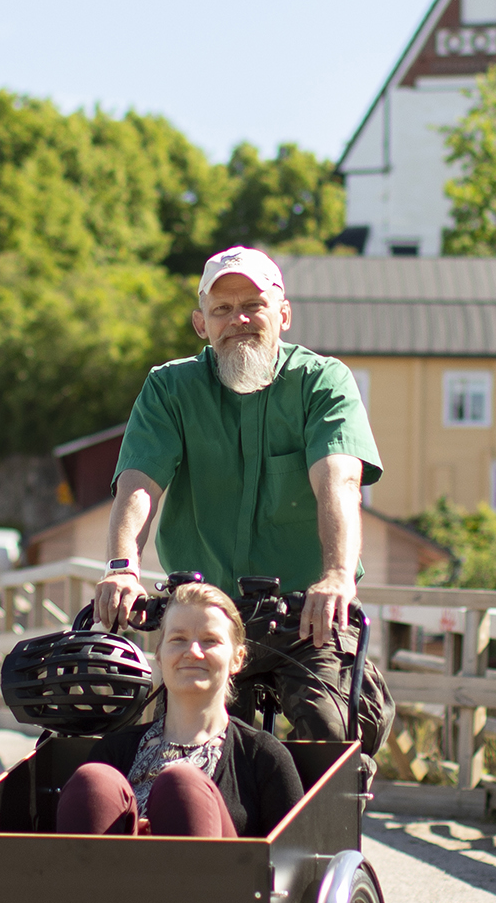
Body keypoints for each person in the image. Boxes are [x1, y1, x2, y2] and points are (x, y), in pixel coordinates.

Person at [86, 246, 382, 737]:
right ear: (201, 324)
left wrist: (335, 576)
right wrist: (122, 568)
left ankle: (317, 807)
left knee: (331, 729)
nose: (238, 319)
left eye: (254, 305)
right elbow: (139, 483)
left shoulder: (322, 382)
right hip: (204, 611)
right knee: (175, 737)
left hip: (305, 613)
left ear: (283, 315)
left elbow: (339, 478)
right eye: (222, 309)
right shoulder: (169, 388)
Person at [56, 583, 303, 838]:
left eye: (210, 641)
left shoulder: (263, 757)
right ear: (160, 655)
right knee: (94, 782)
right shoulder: (114, 751)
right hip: (116, 874)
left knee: (183, 786)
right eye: (178, 639)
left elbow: (294, 866)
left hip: (221, 875)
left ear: (237, 659)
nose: (193, 652)